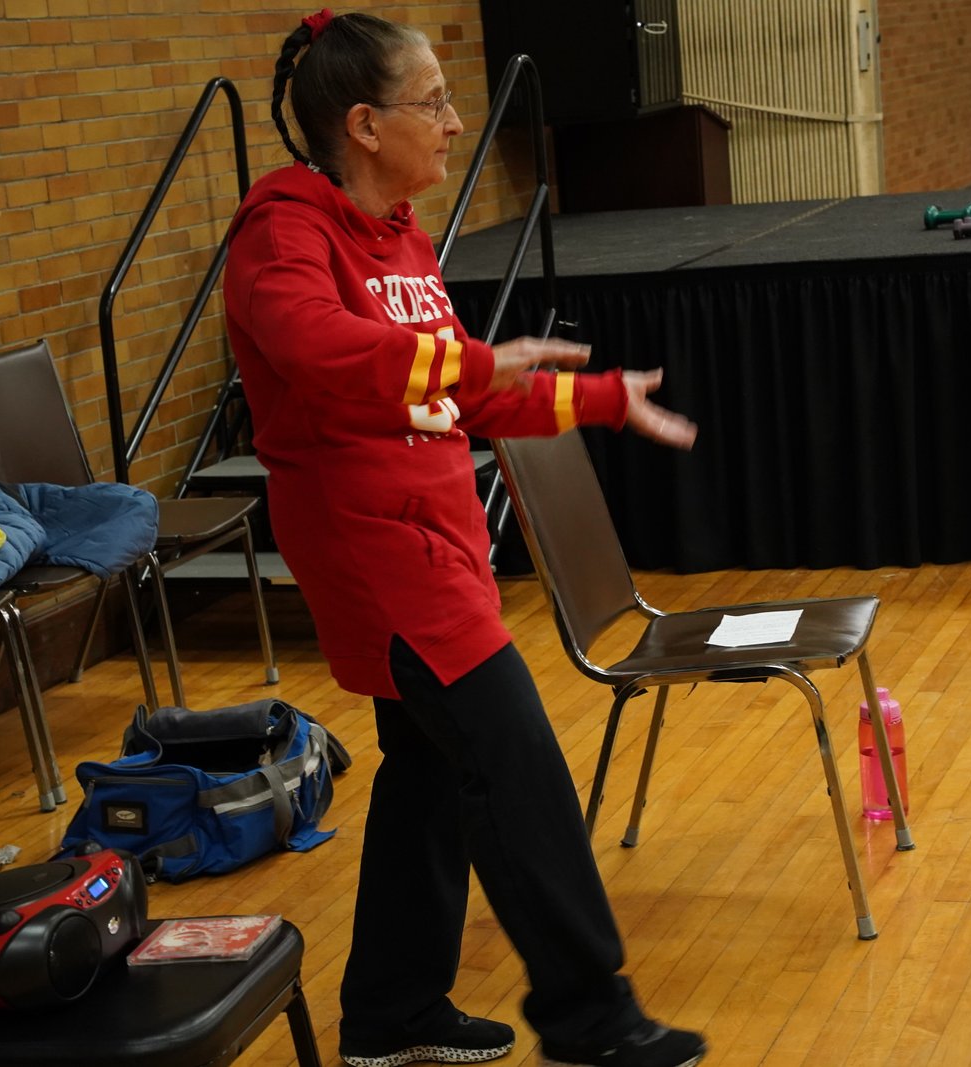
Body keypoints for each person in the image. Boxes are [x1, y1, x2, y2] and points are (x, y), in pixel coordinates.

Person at [222, 10, 706, 1067]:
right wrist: (485, 368)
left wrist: (597, 397)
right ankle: (591, 1016)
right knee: (517, 766)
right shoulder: (281, 234)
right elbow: (325, 351)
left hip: (441, 544)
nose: (453, 124)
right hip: (379, 556)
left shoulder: (400, 235)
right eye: (431, 101)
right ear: (361, 123)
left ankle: (392, 1010)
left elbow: (460, 398)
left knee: (428, 776)